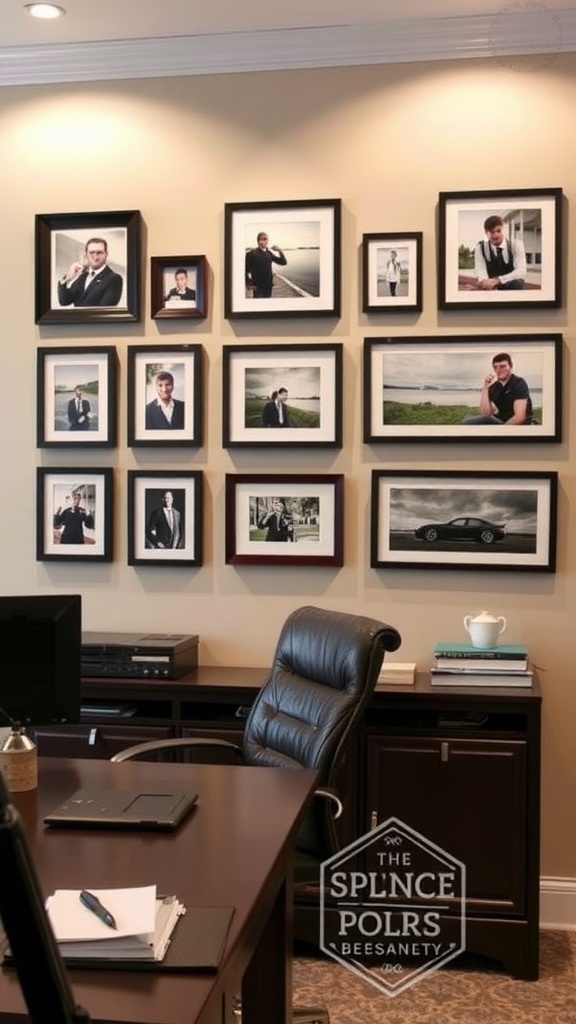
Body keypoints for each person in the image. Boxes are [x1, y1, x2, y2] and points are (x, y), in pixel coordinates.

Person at [464, 352, 533, 425]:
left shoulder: (519, 383)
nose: (498, 370)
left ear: (510, 366)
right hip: (501, 420)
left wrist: (501, 430)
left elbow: (519, 417)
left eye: (502, 366)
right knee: (467, 420)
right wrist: (485, 387)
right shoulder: (493, 387)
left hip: (521, 424)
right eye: (495, 367)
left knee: (469, 422)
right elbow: (485, 414)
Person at [57, 237, 123, 307]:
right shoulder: (82, 276)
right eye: (92, 253)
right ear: (86, 255)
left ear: (106, 254)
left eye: (99, 253)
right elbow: (64, 301)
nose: (96, 257)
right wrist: (68, 278)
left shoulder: (114, 279)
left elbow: (104, 309)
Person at [473, 215, 526, 291]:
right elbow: (480, 270)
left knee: (518, 283)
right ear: (486, 233)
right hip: (491, 288)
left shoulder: (516, 245)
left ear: (503, 229)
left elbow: (521, 271)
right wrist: (485, 283)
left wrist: (498, 280)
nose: (496, 235)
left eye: (498, 231)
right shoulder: (480, 248)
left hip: (510, 286)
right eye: (492, 232)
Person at [245, 232, 287, 298]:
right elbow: (245, 270)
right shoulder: (251, 254)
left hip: (269, 286)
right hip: (258, 288)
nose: (264, 241)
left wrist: (280, 251)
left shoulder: (269, 253)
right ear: (258, 241)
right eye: (262, 239)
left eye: (266, 239)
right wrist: (248, 284)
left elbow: (283, 262)